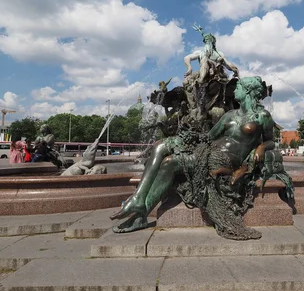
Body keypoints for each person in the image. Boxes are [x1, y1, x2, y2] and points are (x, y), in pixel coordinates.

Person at [111, 76, 276, 239]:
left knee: (170, 163)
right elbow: (210, 137)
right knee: (160, 146)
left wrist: (262, 147)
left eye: (238, 87)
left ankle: (142, 212)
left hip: (224, 159)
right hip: (207, 149)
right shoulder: (230, 115)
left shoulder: (263, 116)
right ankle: (138, 199)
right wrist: (188, 137)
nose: (235, 90)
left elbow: (271, 141)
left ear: (248, 91)